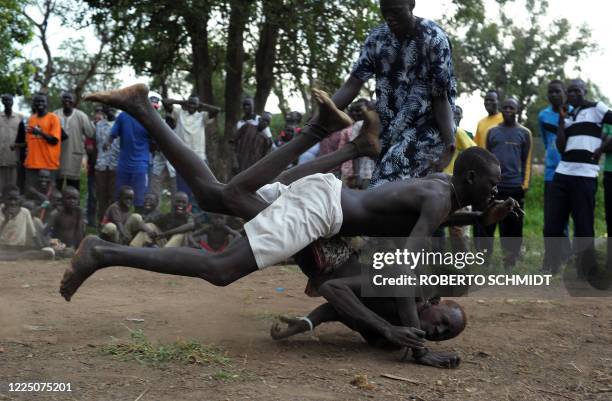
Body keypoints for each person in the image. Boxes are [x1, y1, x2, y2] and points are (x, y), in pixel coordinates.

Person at [60, 86, 519, 366]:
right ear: (472, 176)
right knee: (221, 268)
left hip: (326, 208)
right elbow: (399, 268)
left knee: (218, 196)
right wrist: (415, 346)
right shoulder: (440, 197)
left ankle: (142, 108)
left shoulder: (444, 194)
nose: (499, 191)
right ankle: (103, 252)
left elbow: (407, 223)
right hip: (321, 214)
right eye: (494, 185)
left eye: (440, 333)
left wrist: (481, 216)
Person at [331, 0, 456, 185]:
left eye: (396, 11)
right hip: (391, 131)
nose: (390, 17)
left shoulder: (433, 38)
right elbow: (353, 83)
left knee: (382, 185)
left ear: (411, 5)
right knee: (401, 196)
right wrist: (326, 112)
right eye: (385, 11)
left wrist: (450, 144)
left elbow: (440, 98)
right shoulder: (377, 39)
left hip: (427, 128)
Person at [544, 79, 612, 277]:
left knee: (583, 225)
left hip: (585, 176)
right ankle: (551, 265)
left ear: (585, 91)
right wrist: (562, 122)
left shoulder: (597, 108)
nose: (573, 94)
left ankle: (586, 270)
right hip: (562, 173)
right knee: (552, 224)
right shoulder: (570, 114)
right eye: (570, 91)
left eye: (577, 90)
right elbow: (561, 147)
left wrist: (602, 148)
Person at [484, 98, 532, 270]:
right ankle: (485, 262)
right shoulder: (492, 132)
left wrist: (524, 185)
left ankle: (509, 264)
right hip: (494, 187)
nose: (507, 110)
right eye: (505, 108)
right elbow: (486, 159)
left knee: (512, 228)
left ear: (517, 110)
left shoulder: (524, 133)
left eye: (511, 107)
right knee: (487, 225)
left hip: (514, 187)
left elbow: (527, 161)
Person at [539, 80, 572, 269]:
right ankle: (551, 259)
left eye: (557, 92)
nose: (554, 95)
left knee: (566, 218)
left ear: (564, 93)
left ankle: (567, 256)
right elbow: (546, 140)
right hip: (552, 172)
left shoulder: (573, 111)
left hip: (572, 170)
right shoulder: (543, 115)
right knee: (551, 218)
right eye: (550, 92)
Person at [106, 93, 157, 212]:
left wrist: (152, 150)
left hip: (140, 165)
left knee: (139, 199)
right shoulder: (123, 116)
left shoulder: (148, 118)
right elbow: (113, 134)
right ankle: (119, 224)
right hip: (123, 165)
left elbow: (154, 143)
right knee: (120, 197)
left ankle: (137, 224)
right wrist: (107, 142)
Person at [441, 105, 477, 252]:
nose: (454, 116)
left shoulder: (460, 132)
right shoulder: (440, 132)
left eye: (457, 114)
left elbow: (475, 152)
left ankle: (461, 267)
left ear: (461, 117)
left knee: (458, 230)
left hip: (457, 187)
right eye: (452, 113)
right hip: (439, 185)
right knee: (439, 227)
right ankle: (440, 262)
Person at [0, 184, 54, 260]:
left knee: (47, 252)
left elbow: (33, 235)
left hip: (19, 249)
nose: (13, 202)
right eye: (9, 199)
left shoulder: (25, 212)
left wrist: (41, 248)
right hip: (2, 248)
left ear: (20, 199)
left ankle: (14, 257)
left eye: (16, 199)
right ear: (2, 199)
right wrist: (6, 220)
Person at [55, 92, 95, 191]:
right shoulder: (55, 114)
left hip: (74, 156)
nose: (67, 101)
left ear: (74, 101)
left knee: (73, 189)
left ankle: (74, 206)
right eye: (64, 98)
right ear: (61, 100)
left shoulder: (81, 116)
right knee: (56, 189)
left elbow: (91, 133)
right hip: (57, 157)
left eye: (70, 98)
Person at [129, 192, 194, 248]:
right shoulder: (167, 216)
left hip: (180, 248)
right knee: (150, 225)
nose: (180, 205)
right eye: (178, 202)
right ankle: (132, 249)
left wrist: (165, 234)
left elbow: (190, 225)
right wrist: (149, 231)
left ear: (187, 205)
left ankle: (164, 254)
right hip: (164, 245)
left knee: (179, 234)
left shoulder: (189, 216)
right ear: (172, 203)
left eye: (183, 202)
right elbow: (141, 223)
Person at [24, 93, 62, 188]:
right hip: (32, 163)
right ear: (34, 103)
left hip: (48, 164)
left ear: (47, 103)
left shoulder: (53, 118)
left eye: (42, 101)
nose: (40, 103)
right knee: (32, 193)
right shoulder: (31, 119)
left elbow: (54, 141)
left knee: (48, 196)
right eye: (37, 101)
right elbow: (28, 141)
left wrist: (39, 133)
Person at [93, 106, 120, 225]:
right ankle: (101, 222)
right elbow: (96, 144)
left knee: (113, 195)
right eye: (108, 108)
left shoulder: (120, 124)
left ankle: (113, 222)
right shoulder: (99, 125)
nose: (110, 110)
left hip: (116, 165)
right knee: (101, 195)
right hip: (101, 165)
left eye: (112, 108)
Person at [0, 94, 22, 190]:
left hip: (13, 158)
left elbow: (23, 139)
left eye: (10, 100)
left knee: (12, 187)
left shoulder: (19, 118)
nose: (7, 102)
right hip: (0, 157)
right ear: (2, 102)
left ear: (13, 102)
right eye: (5, 100)